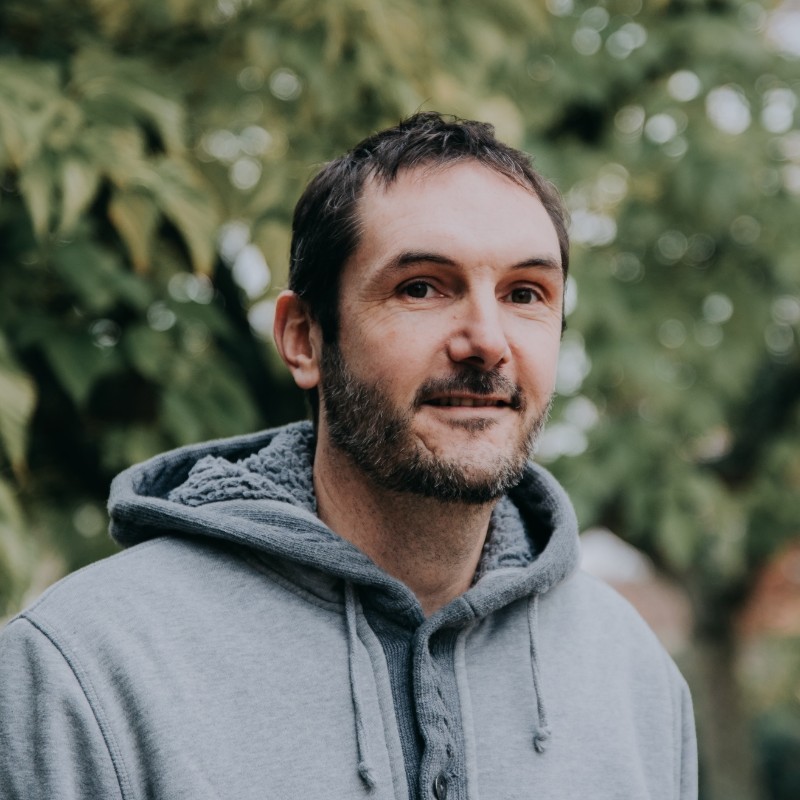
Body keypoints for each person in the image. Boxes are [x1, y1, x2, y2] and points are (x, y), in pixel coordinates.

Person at [0, 112, 697, 800]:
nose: (488, 341)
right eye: (421, 287)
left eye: (525, 294)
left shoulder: (634, 679)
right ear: (304, 338)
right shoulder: (84, 669)